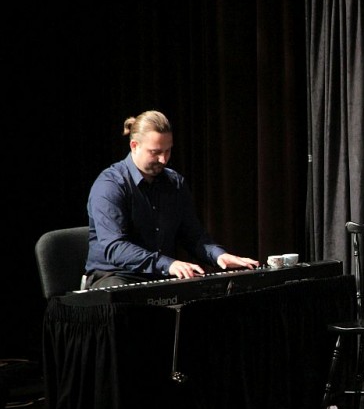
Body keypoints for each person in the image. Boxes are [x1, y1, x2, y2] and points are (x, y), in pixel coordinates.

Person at [84, 110, 259, 289]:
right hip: (115, 275)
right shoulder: (110, 185)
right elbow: (116, 247)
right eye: (155, 152)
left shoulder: (174, 183)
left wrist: (218, 255)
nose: (163, 159)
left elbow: (193, 235)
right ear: (134, 146)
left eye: (168, 151)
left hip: (159, 275)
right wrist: (168, 264)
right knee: (123, 298)